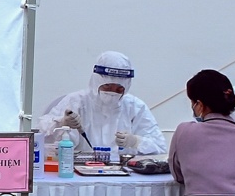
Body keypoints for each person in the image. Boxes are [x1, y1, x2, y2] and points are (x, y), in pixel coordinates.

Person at [37, 50, 166, 157]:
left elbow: (160, 146)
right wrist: (62, 123)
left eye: (118, 89)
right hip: (77, 172)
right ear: (96, 81)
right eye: (107, 87)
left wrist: (136, 141)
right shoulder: (76, 102)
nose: (112, 93)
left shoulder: (135, 107)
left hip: (124, 175)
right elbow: (42, 134)